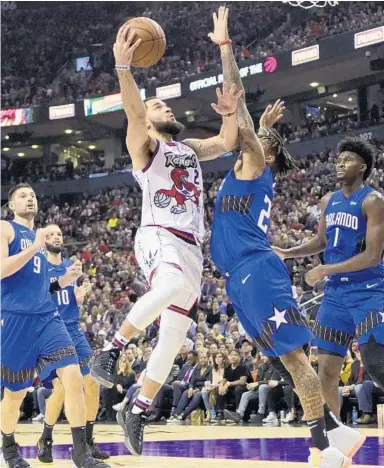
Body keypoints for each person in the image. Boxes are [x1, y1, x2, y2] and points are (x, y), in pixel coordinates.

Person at [208, 7, 363, 467]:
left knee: (296, 361)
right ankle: (335, 436)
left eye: (257, 135)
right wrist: (266, 126)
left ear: (265, 150)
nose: (245, 136)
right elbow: (250, 128)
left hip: (257, 271)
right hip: (240, 277)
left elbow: (235, 95)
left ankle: (324, 446)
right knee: (281, 360)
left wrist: (225, 48)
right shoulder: (251, 165)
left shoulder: (254, 163)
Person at [90, 20, 243, 456]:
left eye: (167, 106)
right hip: (158, 234)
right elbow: (135, 112)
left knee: (175, 336)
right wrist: (124, 69)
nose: (167, 109)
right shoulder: (144, 145)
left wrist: (230, 110)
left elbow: (228, 140)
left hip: (192, 248)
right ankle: (110, 348)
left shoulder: (188, 149)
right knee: (171, 288)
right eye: (159, 106)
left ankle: (136, 408)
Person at [0, 183, 109, 468]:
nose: (30, 198)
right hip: (15, 320)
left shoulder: (39, 241)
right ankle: (9, 447)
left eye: (33, 195)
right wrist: (35, 246)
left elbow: (44, 285)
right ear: (12, 205)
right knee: (15, 395)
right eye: (23, 196)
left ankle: (80, 453)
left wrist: (66, 282)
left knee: (73, 375)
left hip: (48, 318)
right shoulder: (6, 229)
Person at [275, 138, 383, 417]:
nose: (339, 163)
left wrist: (325, 270)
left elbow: (372, 256)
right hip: (335, 296)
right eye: (338, 160)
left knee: (377, 365)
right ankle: (335, 441)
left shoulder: (373, 201)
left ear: (362, 167)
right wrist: (289, 252)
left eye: (347, 160)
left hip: (368, 290)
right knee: (325, 372)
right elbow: (321, 240)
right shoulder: (328, 201)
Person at [36, 225, 109, 463]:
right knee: (62, 388)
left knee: (93, 383)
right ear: (43, 239)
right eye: (51, 234)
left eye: (59, 234)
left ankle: (86, 442)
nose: (56, 237)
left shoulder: (70, 264)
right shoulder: (38, 264)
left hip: (74, 330)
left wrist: (78, 296)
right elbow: (36, 294)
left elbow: (71, 296)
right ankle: (46, 438)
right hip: (49, 331)